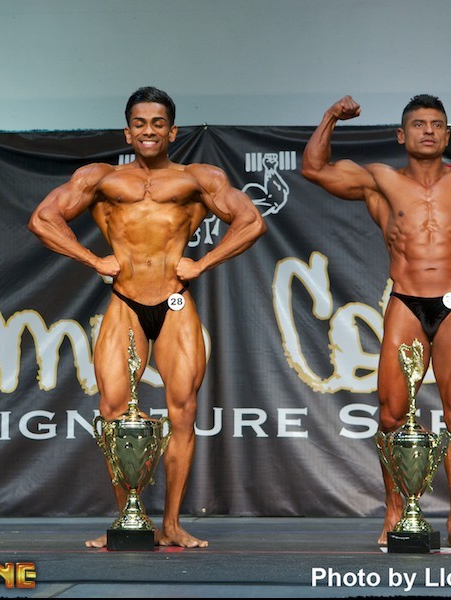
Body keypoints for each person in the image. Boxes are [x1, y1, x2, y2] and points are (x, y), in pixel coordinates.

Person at [301, 92, 451, 549]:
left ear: (447, 135)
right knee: (391, 415)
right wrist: (332, 116)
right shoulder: (380, 181)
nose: (428, 131)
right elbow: (314, 169)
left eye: (436, 124)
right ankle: (395, 511)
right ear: (402, 135)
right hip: (406, 303)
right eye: (419, 124)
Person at [29, 87, 266, 548]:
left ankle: (172, 523)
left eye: (158, 123)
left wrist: (203, 263)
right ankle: (129, 520)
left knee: (184, 411)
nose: (149, 131)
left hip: (175, 301)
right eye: (140, 123)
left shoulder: (198, 178)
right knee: (113, 410)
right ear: (128, 131)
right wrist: (92, 260)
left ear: (172, 131)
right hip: (125, 301)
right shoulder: (100, 178)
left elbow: (252, 221)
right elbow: (43, 219)